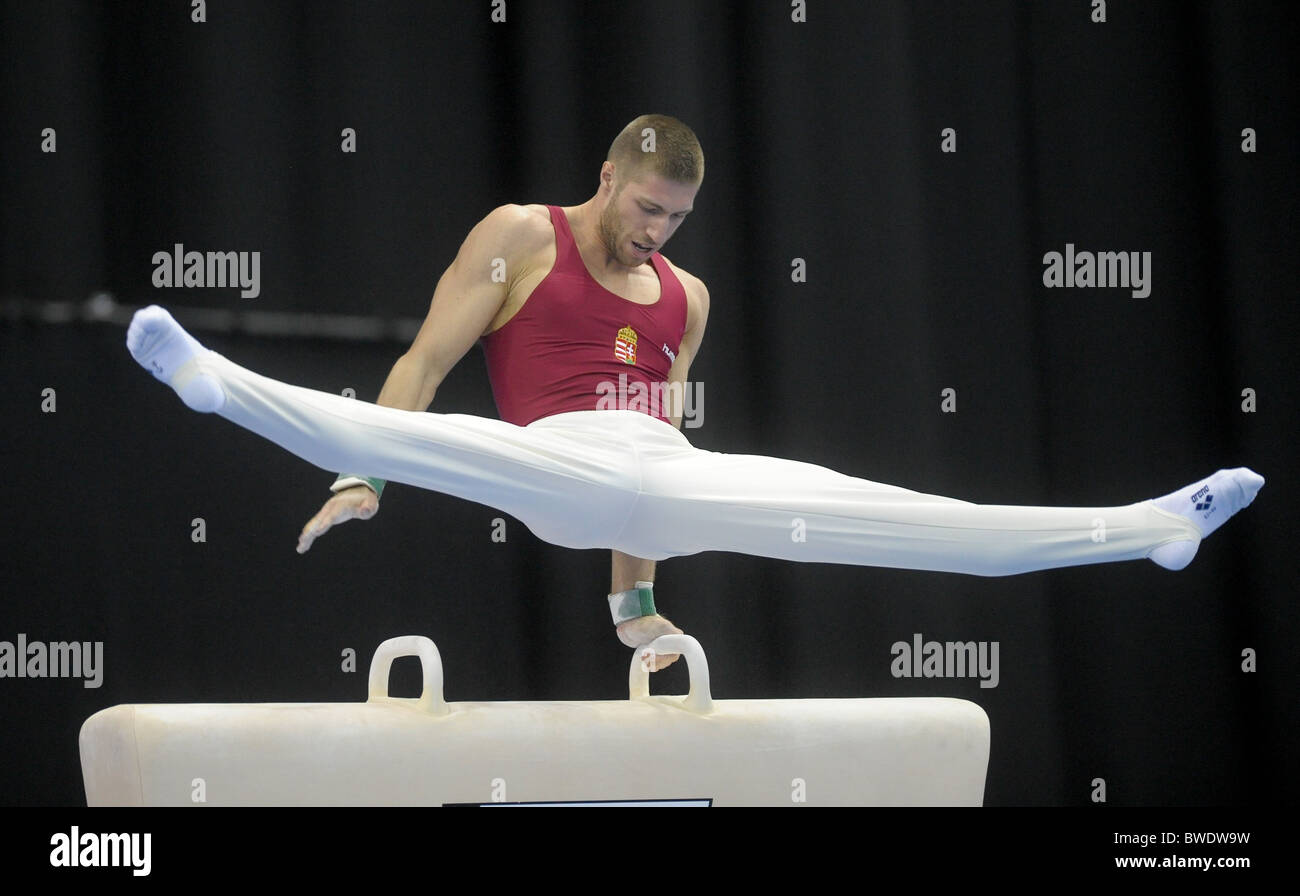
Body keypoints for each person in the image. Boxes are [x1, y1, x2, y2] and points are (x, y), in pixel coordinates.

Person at [125, 114, 1264, 673]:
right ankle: (212, 380)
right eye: (642, 207)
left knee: (907, 520)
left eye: (672, 219)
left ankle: (1150, 530)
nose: (653, 230)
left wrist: (632, 609)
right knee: (441, 435)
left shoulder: (688, 297)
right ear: (610, 173)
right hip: (557, 464)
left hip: (660, 480)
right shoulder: (522, 235)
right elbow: (423, 363)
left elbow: (658, 443)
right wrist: (369, 466)